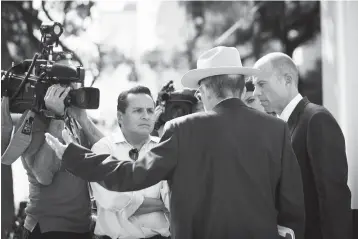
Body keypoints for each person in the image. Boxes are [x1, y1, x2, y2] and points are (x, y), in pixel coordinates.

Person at [45, 46, 305, 239]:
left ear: (206, 89)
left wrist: (74, 155)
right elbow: (292, 206)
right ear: (240, 87)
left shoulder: (181, 130)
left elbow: (129, 175)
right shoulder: (277, 129)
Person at [252, 52, 352, 239]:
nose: (256, 93)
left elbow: (334, 198)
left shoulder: (316, 119)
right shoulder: (278, 127)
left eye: (261, 84)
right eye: (254, 86)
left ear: (287, 80)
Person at [2, 84, 104, 239]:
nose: (70, 89)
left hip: (82, 227)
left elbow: (108, 154)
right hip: (49, 229)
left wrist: (83, 118)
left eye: (73, 83)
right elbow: (44, 176)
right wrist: (57, 117)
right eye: (62, 85)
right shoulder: (33, 119)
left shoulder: (74, 118)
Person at [89, 86, 170, 239]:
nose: (146, 116)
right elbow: (112, 199)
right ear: (120, 117)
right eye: (138, 111)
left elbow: (176, 198)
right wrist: (161, 203)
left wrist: (130, 200)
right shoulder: (103, 149)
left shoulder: (165, 148)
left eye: (150, 111)